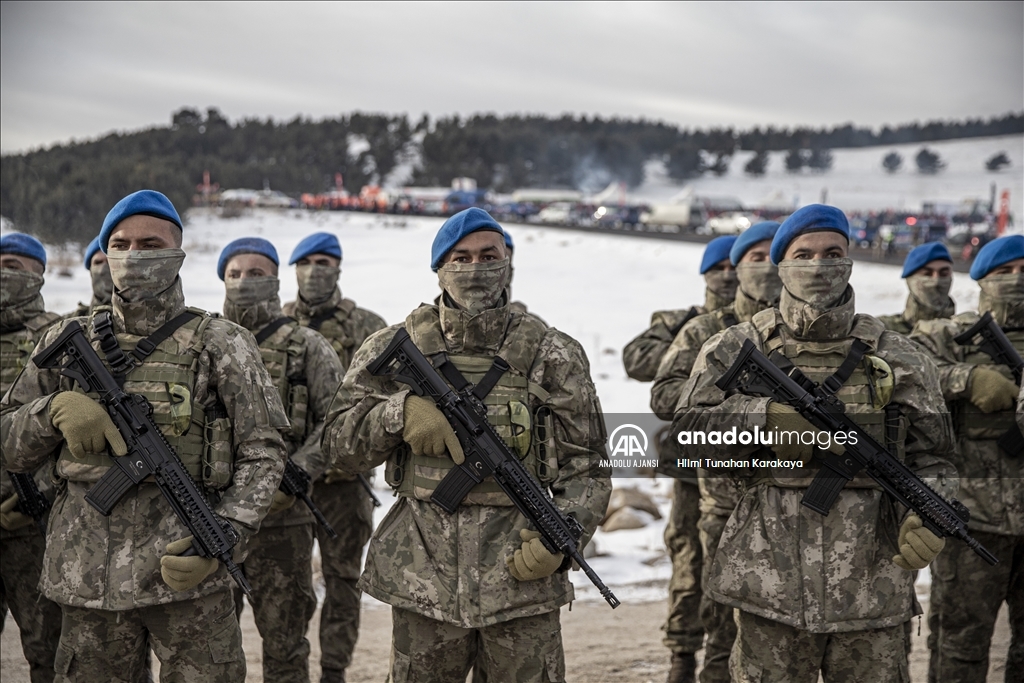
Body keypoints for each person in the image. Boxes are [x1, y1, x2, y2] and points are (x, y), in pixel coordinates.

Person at [0, 190, 289, 683]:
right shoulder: (65, 339)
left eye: (151, 244)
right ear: (106, 253)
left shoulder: (223, 343)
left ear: (177, 253)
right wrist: (53, 411)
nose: (135, 255)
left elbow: (263, 452)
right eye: (121, 245)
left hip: (188, 579)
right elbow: (7, 437)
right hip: (86, 579)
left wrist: (227, 534)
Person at [321, 207, 611, 682]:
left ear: (507, 263)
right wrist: (399, 413)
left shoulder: (553, 352)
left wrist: (563, 538)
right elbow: (338, 445)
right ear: (440, 268)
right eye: (461, 258)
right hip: (422, 581)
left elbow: (589, 464)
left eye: (488, 256)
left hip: (521, 582)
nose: (476, 268)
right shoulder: (390, 346)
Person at [674, 205, 957, 682]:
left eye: (832, 252)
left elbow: (937, 457)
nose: (819, 264)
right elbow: (685, 435)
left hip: (872, 590)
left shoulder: (901, 357)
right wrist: (762, 417)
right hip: (768, 588)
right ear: (781, 264)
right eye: (803, 254)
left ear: (849, 261)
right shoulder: (732, 346)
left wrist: (928, 514)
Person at [649, 222, 782, 683]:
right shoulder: (706, 330)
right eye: (755, 258)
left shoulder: (804, 334)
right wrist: (737, 402)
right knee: (716, 612)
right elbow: (664, 396)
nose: (766, 268)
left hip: (791, 495)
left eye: (774, 256)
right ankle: (683, 656)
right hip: (718, 490)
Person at [217, 237, 344, 683]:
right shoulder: (205, 341)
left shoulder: (307, 346)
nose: (244, 282)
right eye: (234, 274)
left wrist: (299, 472)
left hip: (283, 524)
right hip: (214, 518)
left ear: (275, 279)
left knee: (286, 645)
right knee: (208, 649)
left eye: (256, 273)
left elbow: (338, 422)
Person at [623, 234, 737, 683]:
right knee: (690, 558)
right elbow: (636, 359)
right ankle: (683, 653)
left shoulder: (765, 322)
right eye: (718, 268)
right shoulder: (684, 323)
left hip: (747, 462)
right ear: (705, 275)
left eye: (734, 266)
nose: (727, 275)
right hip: (693, 466)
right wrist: (697, 352)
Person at [910, 234, 1024, 682]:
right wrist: (967, 377)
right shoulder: (948, 333)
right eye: (1005, 272)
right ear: (981, 279)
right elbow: (900, 375)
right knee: (960, 647)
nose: (1017, 280)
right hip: (972, 522)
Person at [281, 231, 385, 683]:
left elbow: (386, 398)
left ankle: (333, 670)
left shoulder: (366, 325)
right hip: (288, 483)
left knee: (343, 580)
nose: (314, 271)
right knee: (288, 584)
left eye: (323, 263)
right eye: (305, 263)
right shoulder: (277, 325)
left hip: (345, 483)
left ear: (338, 268)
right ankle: (288, 667)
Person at [0, 233, 63, 683]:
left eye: (13, 267)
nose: (2, 275)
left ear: (38, 275)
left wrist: (36, 496)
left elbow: (77, 437)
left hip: (34, 525)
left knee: (49, 649)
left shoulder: (58, 337)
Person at [878, 241, 955, 334]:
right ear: (910, 280)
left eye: (944, 273)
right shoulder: (883, 331)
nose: (936, 281)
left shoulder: (964, 333)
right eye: (927, 274)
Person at [70, 235, 114, 317]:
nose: (103, 269)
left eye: (109, 261)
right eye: (98, 263)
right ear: (90, 271)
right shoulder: (74, 321)